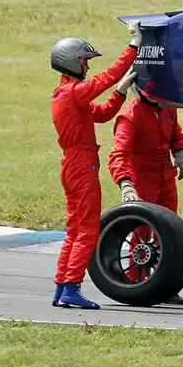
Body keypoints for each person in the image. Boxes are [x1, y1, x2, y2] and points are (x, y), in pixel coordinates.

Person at [50, 21, 141, 309]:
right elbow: (108, 77)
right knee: (87, 230)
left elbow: (100, 114)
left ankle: (62, 286)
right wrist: (133, 46)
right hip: (81, 165)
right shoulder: (75, 92)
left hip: (72, 165)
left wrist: (121, 92)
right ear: (73, 62)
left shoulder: (64, 94)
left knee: (74, 230)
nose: (88, 67)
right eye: (86, 61)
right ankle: (71, 288)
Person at [107, 79, 183, 305]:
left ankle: (167, 287)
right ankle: (137, 285)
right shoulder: (130, 116)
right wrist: (125, 184)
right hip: (141, 178)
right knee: (142, 235)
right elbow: (118, 154)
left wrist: (181, 152)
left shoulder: (168, 107)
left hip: (165, 177)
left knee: (170, 233)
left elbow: (176, 133)